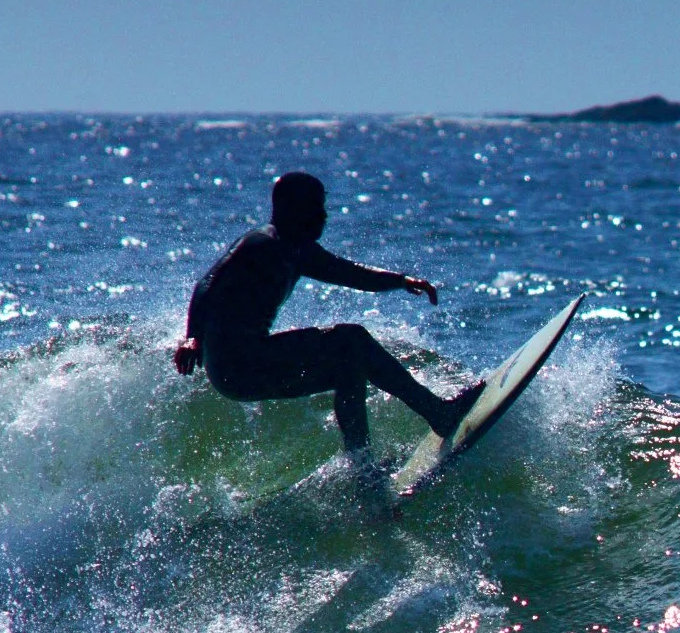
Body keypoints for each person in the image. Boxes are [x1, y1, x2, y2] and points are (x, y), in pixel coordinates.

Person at [174, 171, 482, 455]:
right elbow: (207, 285)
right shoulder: (261, 244)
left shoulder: (299, 251)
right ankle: (437, 413)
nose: (323, 215)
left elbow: (352, 274)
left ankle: (362, 467)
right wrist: (192, 338)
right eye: (315, 207)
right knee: (351, 338)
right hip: (235, 364)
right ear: (291, 209)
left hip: (252, 362)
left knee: (348, 368)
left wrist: (401, 281)